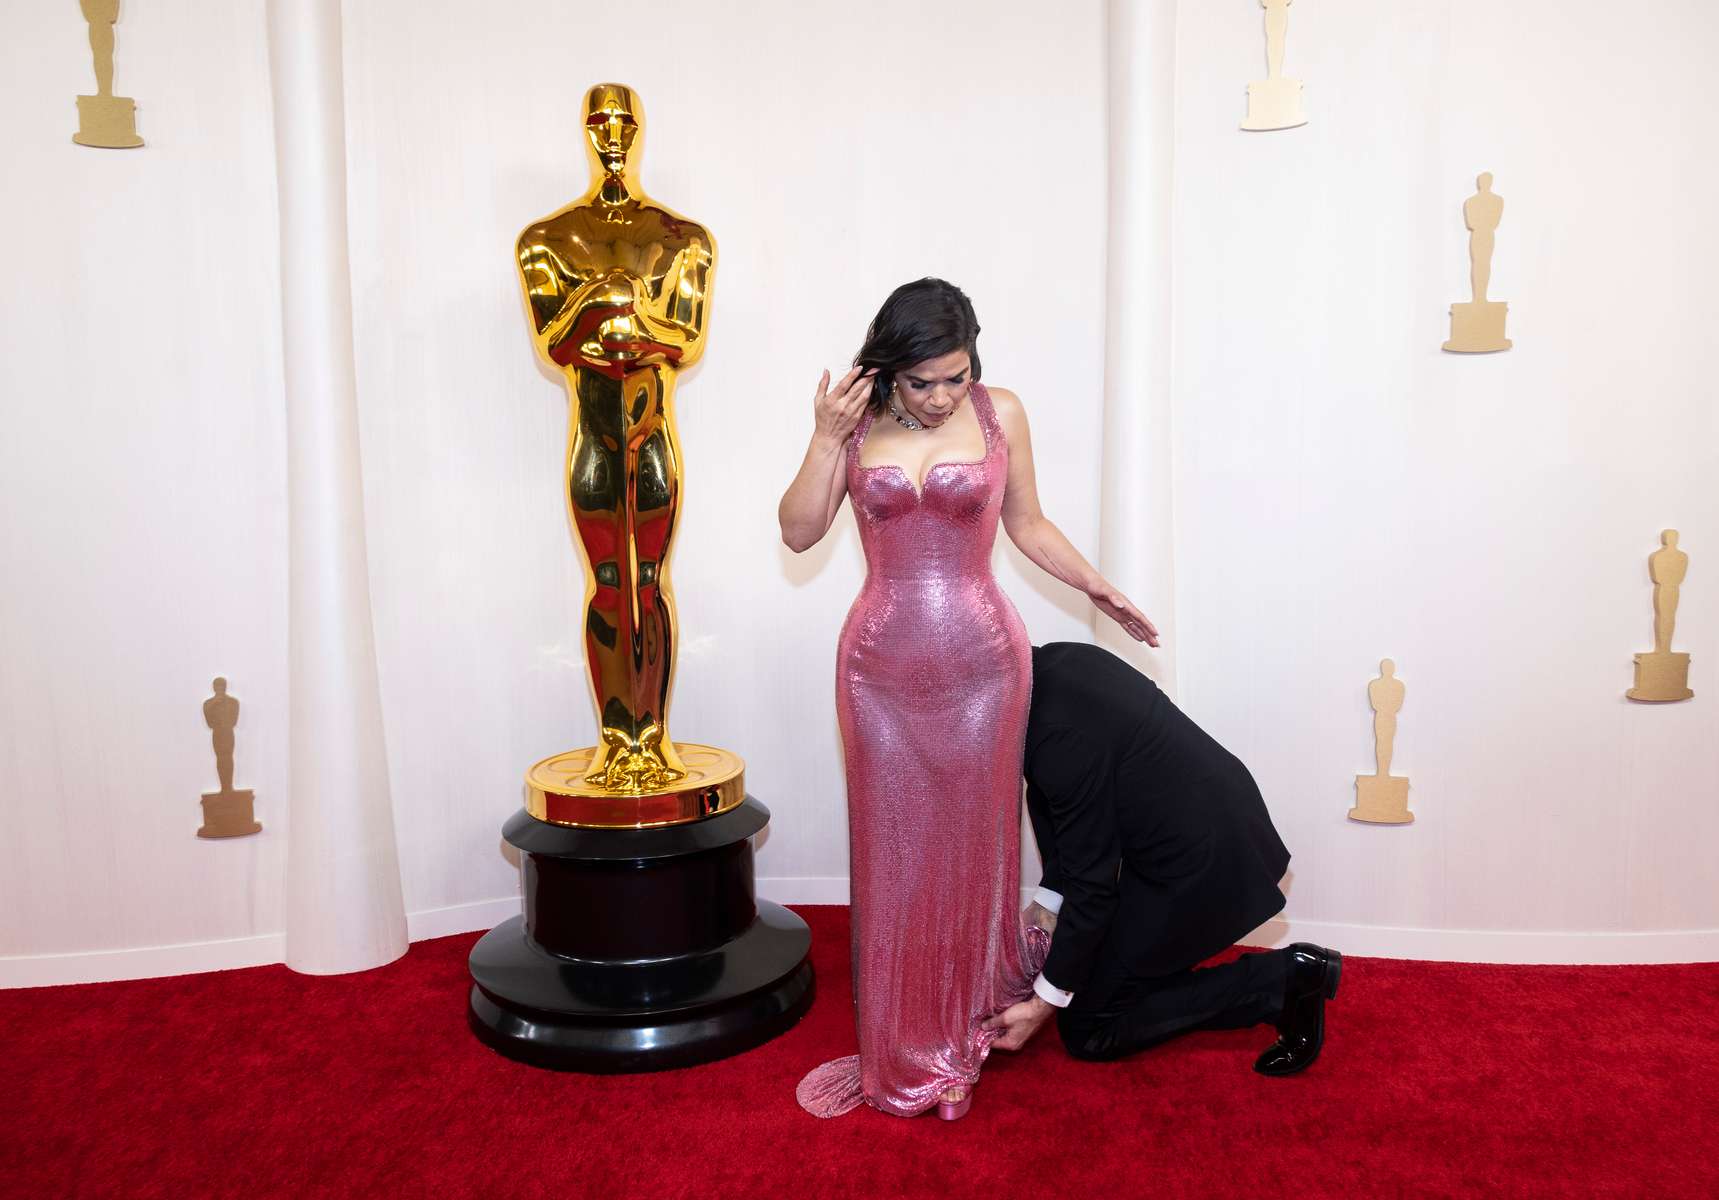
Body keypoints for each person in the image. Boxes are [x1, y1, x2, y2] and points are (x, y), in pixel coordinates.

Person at [781, 279, 1157, 1119]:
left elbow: (1027, 524)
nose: (944, 394)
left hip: (986, 663)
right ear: (887, 369)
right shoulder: (853, 421)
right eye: (923, 382)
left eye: (956, 375)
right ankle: (899, 1034)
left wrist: (1097, 587)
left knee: (975, 842)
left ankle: (960, 1018)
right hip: (878, 667)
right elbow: (800, 531)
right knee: (894, 847)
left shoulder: (1001, 414)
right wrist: (821, 439)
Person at [983, 641, 1341, 1075]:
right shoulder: (1054, 665)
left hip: (1206, 859)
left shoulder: (1057, 735)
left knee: (1087, 1026)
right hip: (1196, 828)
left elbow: (1093, 886)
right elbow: (1061, 809)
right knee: (1091, 972)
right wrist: (1044, 910)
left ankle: (1287, 979)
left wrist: (1045, 1000)